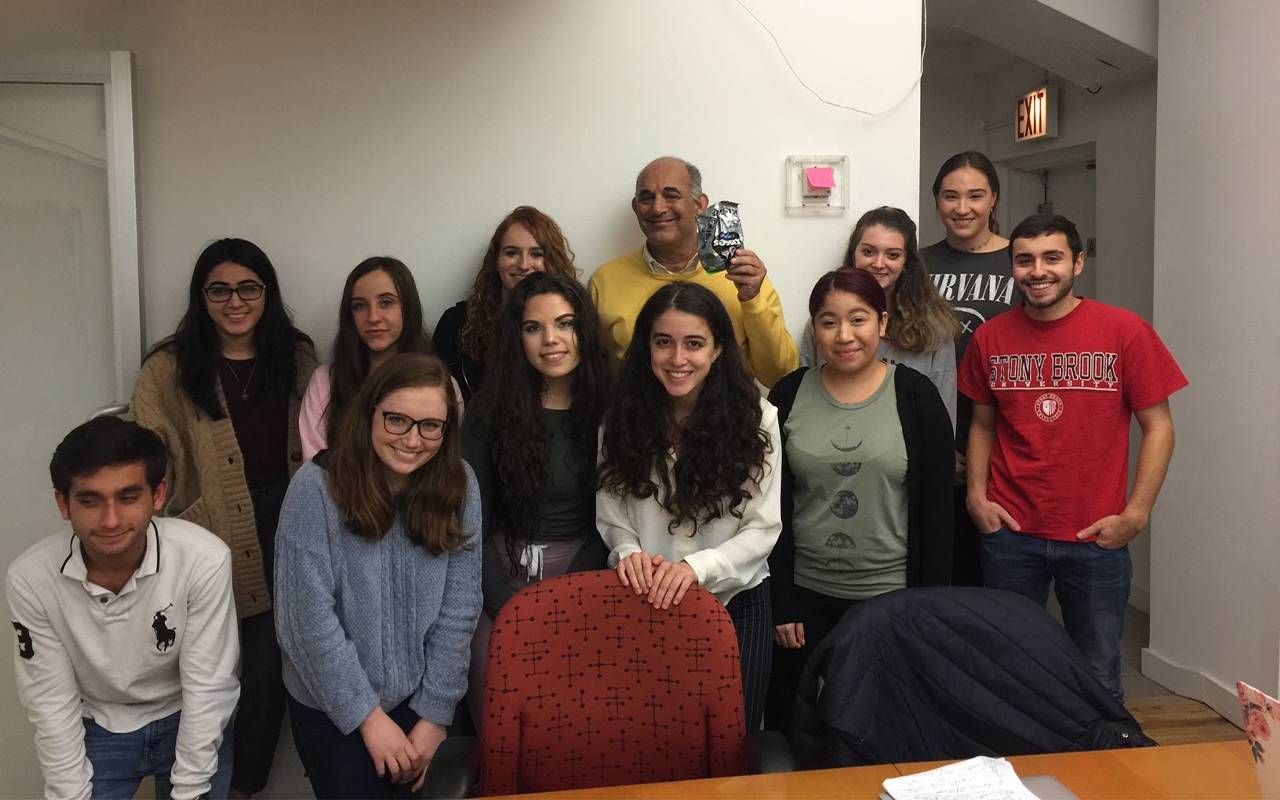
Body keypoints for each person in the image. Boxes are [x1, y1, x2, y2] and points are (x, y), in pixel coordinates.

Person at [958, 213, 1186, 702]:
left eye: (1052, 257)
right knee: (1008, 667)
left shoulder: (1124, 332)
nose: (1038, 271)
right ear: (1012, 268)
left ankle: (1099, 772)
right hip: (1010, 534)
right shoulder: (990, 338)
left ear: (1078, 262)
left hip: (1095, 538)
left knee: (1098, 674)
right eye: (1024, 260)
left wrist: (1137, 513)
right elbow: (982, 424)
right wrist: (977, 497)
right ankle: (1017, 767)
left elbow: (1160, 427)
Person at [130, 237, 316, 795]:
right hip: (205, 535)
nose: (235, 302)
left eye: (248, 288)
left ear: (267, 293)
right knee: (201, 680)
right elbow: (147, 450)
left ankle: (241, 790)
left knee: (267, 682)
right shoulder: (168, 366)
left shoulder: (298, 354)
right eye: (219, 290)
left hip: (288, 528)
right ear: (201, 296)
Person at [274, 353, 481, 798]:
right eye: (396, 420)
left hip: (424, 700)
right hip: (335, 708)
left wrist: (436, 715)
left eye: (431, 425)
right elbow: (307, 624)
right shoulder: (315, 489)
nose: (412, 439)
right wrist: (367, 719)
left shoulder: (460, 483)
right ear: (369, 413)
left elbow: (460, 609)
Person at [6, 417, 238, 800]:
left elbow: (209, 687)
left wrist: (191, 791)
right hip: (98, 721)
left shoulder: (203, 559)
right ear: (63, 503)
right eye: (90, 500)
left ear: (158, 495)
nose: (111, 520)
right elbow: (50, 700)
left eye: (128, 497)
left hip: (187, 713)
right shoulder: (31, 578)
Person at [765, 267, 954, 731]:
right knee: (802, 730)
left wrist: (924, 609)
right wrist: (782, 600)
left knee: (885, 727)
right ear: (815, 330)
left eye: (859, 319)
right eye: (828, 322)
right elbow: (770, 507)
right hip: (805, 600)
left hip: (891, 599)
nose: (844, 335)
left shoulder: (916, 396)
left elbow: (937, 516)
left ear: (882, 324)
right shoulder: (787, 395)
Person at [596, 281, 781, 731]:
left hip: (736, 603)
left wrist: (698, 568)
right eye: (664, 342)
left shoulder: (759, 419)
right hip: (645, 602)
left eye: (694, 344)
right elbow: (611, 513)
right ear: (647, 348)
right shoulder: (618, 417)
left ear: (718, 349)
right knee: (651, 737)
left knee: (732, 740)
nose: (678, 359)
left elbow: (763, 529)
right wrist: (628, 554)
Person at [462, 273, 611, 721]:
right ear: (517, 338)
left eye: (564, 324)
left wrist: (561, 601)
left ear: (583, 330)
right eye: (534, 328)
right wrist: (507, 605)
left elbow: (616, 519)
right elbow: (471, 520)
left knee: (575, 715)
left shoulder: (614, 406)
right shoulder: (489, 410)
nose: (551, 340)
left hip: (585, 580)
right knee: (499, 706)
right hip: (498, 578)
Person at [589, 156, 798, 387]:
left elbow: (781, 376)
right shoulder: (605, 281)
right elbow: (592, 376)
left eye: (671, 195)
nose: (658, 208)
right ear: (636, 208)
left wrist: (752, 300)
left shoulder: (743, 276)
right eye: (646, 198)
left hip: (727, 418)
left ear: (699, 204)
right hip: (636, 419)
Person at [923, 151, 1017, 587]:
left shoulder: (1021, 261)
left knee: (998, 581)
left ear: (993, 199)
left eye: (976, 196)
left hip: (1003, 440)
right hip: (933, 436)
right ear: (937, 200)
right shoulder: (919, 265)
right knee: (941, 572)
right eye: (950, 196)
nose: (963, 208)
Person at [801, 207, 961, 428]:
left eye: (892, 255)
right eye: (868, 252)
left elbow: (942, 419)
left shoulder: (935, 329)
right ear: (853, 255)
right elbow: (806, 401)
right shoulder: (824, 324)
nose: (878, 263)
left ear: (907, 262)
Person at [300, 256, 461, 459]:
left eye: (386, 303)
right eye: (360, 305)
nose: (373, 317)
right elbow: (315, 464)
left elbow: (445, 463)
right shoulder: (325, 382)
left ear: (408, 308)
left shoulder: (444, 387)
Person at [433, 206, 579, 402]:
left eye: (536, 254)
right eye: (512, 253)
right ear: (496, 260)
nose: (524, 265)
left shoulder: (577, 323)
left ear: (552, 261)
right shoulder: (455, 323)